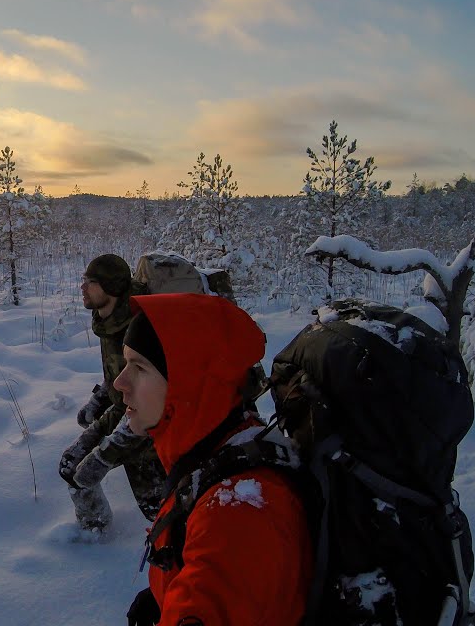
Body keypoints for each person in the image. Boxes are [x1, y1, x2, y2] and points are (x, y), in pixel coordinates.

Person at [114, 293, 311, 626]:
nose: (120, 382)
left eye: (139, 368)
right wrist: (166, 596)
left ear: (188, 384)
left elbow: (222, 576)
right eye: (125, 363)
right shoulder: (217, 448)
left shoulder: (236, 515)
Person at [59, 254, 167, 534]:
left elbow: (154, 399)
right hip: (123, 411)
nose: (82, 287)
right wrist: (100, 399)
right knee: (71, 467)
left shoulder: (140, 329)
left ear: (112, 287)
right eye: (84, 279)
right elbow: (120, 375)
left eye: (90, 282)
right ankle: (95, 530)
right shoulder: (109, 321)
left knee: (158, 510)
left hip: (148, 429)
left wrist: (104, 457)